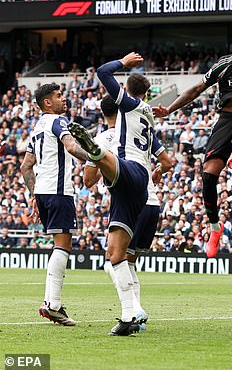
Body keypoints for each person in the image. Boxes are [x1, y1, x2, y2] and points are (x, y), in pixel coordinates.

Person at [154, 28, 232, 258]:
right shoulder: (225, 65)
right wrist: (169, 109)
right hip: (226, 118)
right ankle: (215, 228)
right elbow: (197, 89)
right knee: (208, 175)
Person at [67, 52, 154, 336]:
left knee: (110, 163)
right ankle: (129, 317)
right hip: (130, 190)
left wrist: (123, 63)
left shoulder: (128, 106)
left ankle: (95, 152)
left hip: (131, 170)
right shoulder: (148, 113)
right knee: (115, 256)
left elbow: (103, 72)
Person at [83, 95, 172, 332]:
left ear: (103, 113)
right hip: (152, 202)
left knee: (112, 261)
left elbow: (88, 181)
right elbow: (167, 161)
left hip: (131, 201)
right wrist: (158, 172)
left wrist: (102, 169)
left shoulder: (103, 137)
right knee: (129, 263)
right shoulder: (141, 130)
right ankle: (136, 314)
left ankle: (133, 311)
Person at [20, 83, 90, 326]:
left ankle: (51, 302)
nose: (64, 99)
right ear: (47, 103)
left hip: (43, 193)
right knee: (63, 246)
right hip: (59, 192)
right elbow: (71, 146)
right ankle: (53, 305)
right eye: (59, 96)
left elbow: (25, 166)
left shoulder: (36, 128)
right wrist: (98, 158)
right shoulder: (58, 121)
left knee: (60, 245)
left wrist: (34, 195)